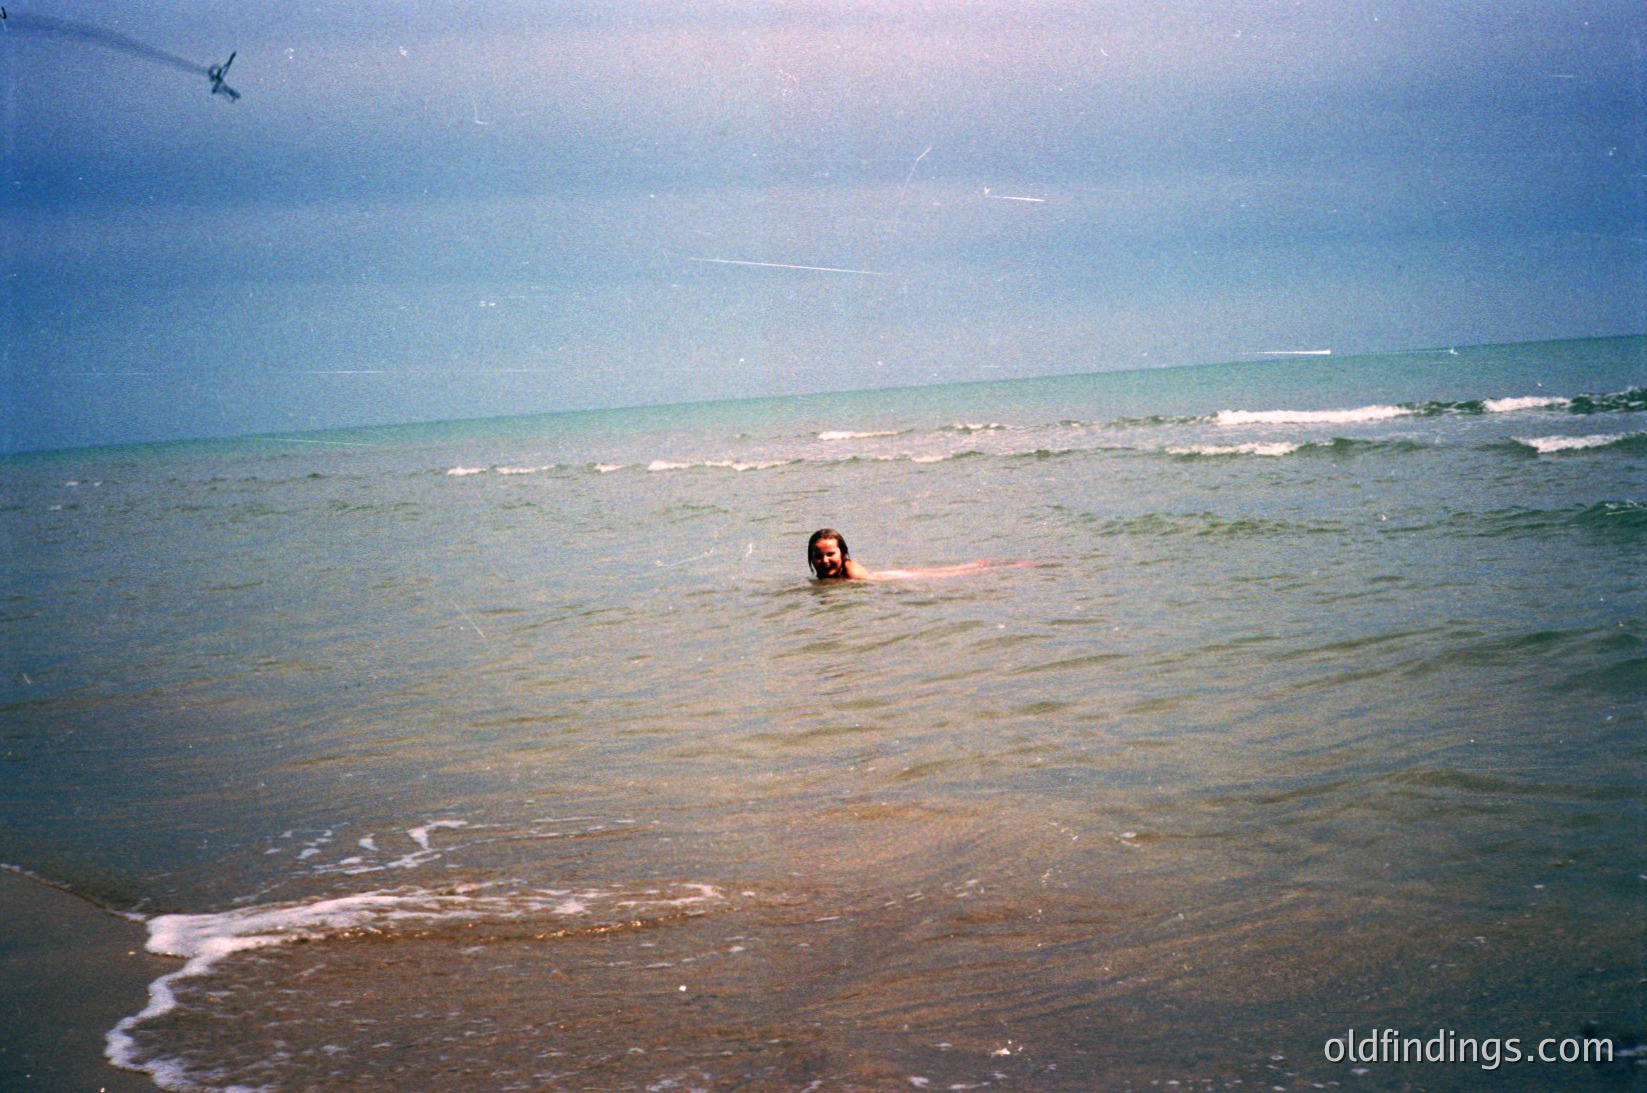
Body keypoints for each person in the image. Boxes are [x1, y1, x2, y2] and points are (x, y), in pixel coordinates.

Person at [807, 528, 994, 581]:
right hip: (890, 574)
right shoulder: (828, 575)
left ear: (843, 553)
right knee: (941, 571)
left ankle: (981, 567)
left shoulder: (851, 572)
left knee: (946, 574)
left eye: (831, 554)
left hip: (892, 578)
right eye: (818, 556)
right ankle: (976, 565)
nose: (824, 560)